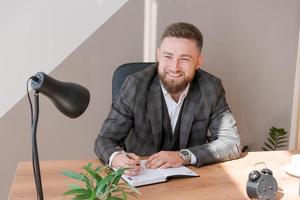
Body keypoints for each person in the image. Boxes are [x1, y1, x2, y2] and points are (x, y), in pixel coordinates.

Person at [94, 22, 241, 176]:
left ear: (198, 61)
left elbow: (231, 142)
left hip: (191, 182)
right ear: (158, 55)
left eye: (184, 59)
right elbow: (105, 139)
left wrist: (182, 156)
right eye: (168, 56)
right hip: (141, 178)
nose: (174, 67)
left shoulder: (211, 87)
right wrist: (117, 158)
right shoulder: (136, 84)